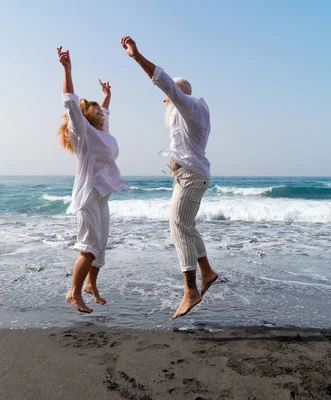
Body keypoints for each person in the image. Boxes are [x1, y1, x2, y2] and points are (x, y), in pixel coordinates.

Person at [121, 36, 218, 319]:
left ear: (179, 93)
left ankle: (191, 291)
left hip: (191, 177)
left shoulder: (189, 105)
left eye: (170, 98)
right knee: (187, 227)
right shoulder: (194, 111)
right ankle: (207, 273)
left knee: (177, 226)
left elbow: (163, 80)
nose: (166, 102)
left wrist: (136, 56)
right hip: (190, 176)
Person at [57, 46, 128, 313]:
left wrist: (106, 96)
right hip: (87, 196)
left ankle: (90, 286)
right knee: (88, 246)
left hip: (102, 195)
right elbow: (69, 102)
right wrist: (67, 69)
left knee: (100, 247)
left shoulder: (102, 132)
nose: (102, 114)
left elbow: (106, 114)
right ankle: (73, 293)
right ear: (88, 117)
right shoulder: (83, 134)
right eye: (98, 111)